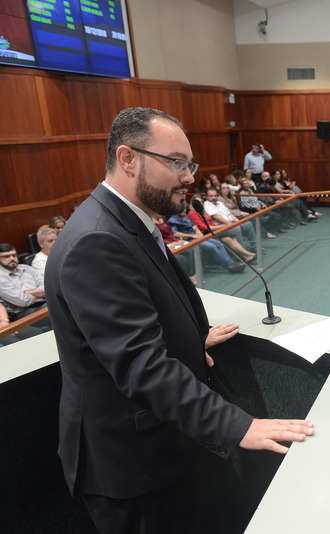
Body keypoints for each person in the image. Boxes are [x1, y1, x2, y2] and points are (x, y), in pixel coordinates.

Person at [44, 108, 314, 533]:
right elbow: (139, 364)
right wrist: (238, 425)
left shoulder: (126, 222)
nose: (188, 176)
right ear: (128, 159)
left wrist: (191, 340)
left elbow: (130, 322)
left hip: (164, 448)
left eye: (190, 164)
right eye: (176, 163)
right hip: (132, 466)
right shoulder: (97, 239)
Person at [167, 208, 247, 273]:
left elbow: (194, 226)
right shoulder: (172, 220)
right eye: (182, 210)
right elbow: (175, 233)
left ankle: (231, 262)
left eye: (184, 210)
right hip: (189, 240)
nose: (184, 211)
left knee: (218, 243)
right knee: (212, 247)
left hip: (198, 237)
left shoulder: (185, 216)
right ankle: (228, 266)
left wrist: (198, 232)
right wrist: (192, 235)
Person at [0, 244, 46, 320]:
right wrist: (40, 293)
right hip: (22, 313)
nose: (12, 258)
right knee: (53, 307)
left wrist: (25, 292)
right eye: (6, 256)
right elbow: (23, 301)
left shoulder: (27, 268)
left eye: (14, 255)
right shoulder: (1, 278)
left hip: (43, 303)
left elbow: (47, 288)